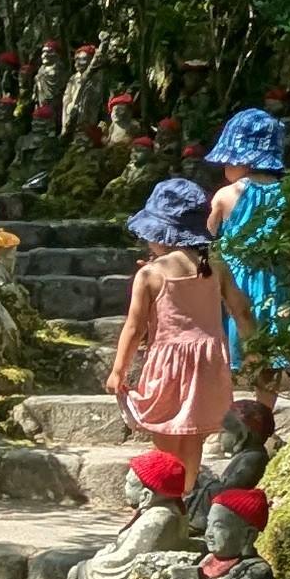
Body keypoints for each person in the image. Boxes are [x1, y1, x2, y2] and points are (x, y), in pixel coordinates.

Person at [104, 180, 245, 483]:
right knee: (193, 438)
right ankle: (187, 495)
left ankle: (166, 498)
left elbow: (135, 327)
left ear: (162, 233)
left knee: (165, 434)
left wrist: (119, 370)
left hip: (168, 363)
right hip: (209, 361)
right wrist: (256, 349)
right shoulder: (216, 267)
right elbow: (242, 311)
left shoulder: (151, 274)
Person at [204, 108, 287, 375]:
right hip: (278, 280)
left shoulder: (226, 195)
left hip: (235, 282)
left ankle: (229, 407)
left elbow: (207, 235)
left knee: (231, 345)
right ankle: (265, 410)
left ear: (243, 160)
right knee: (272, 355)